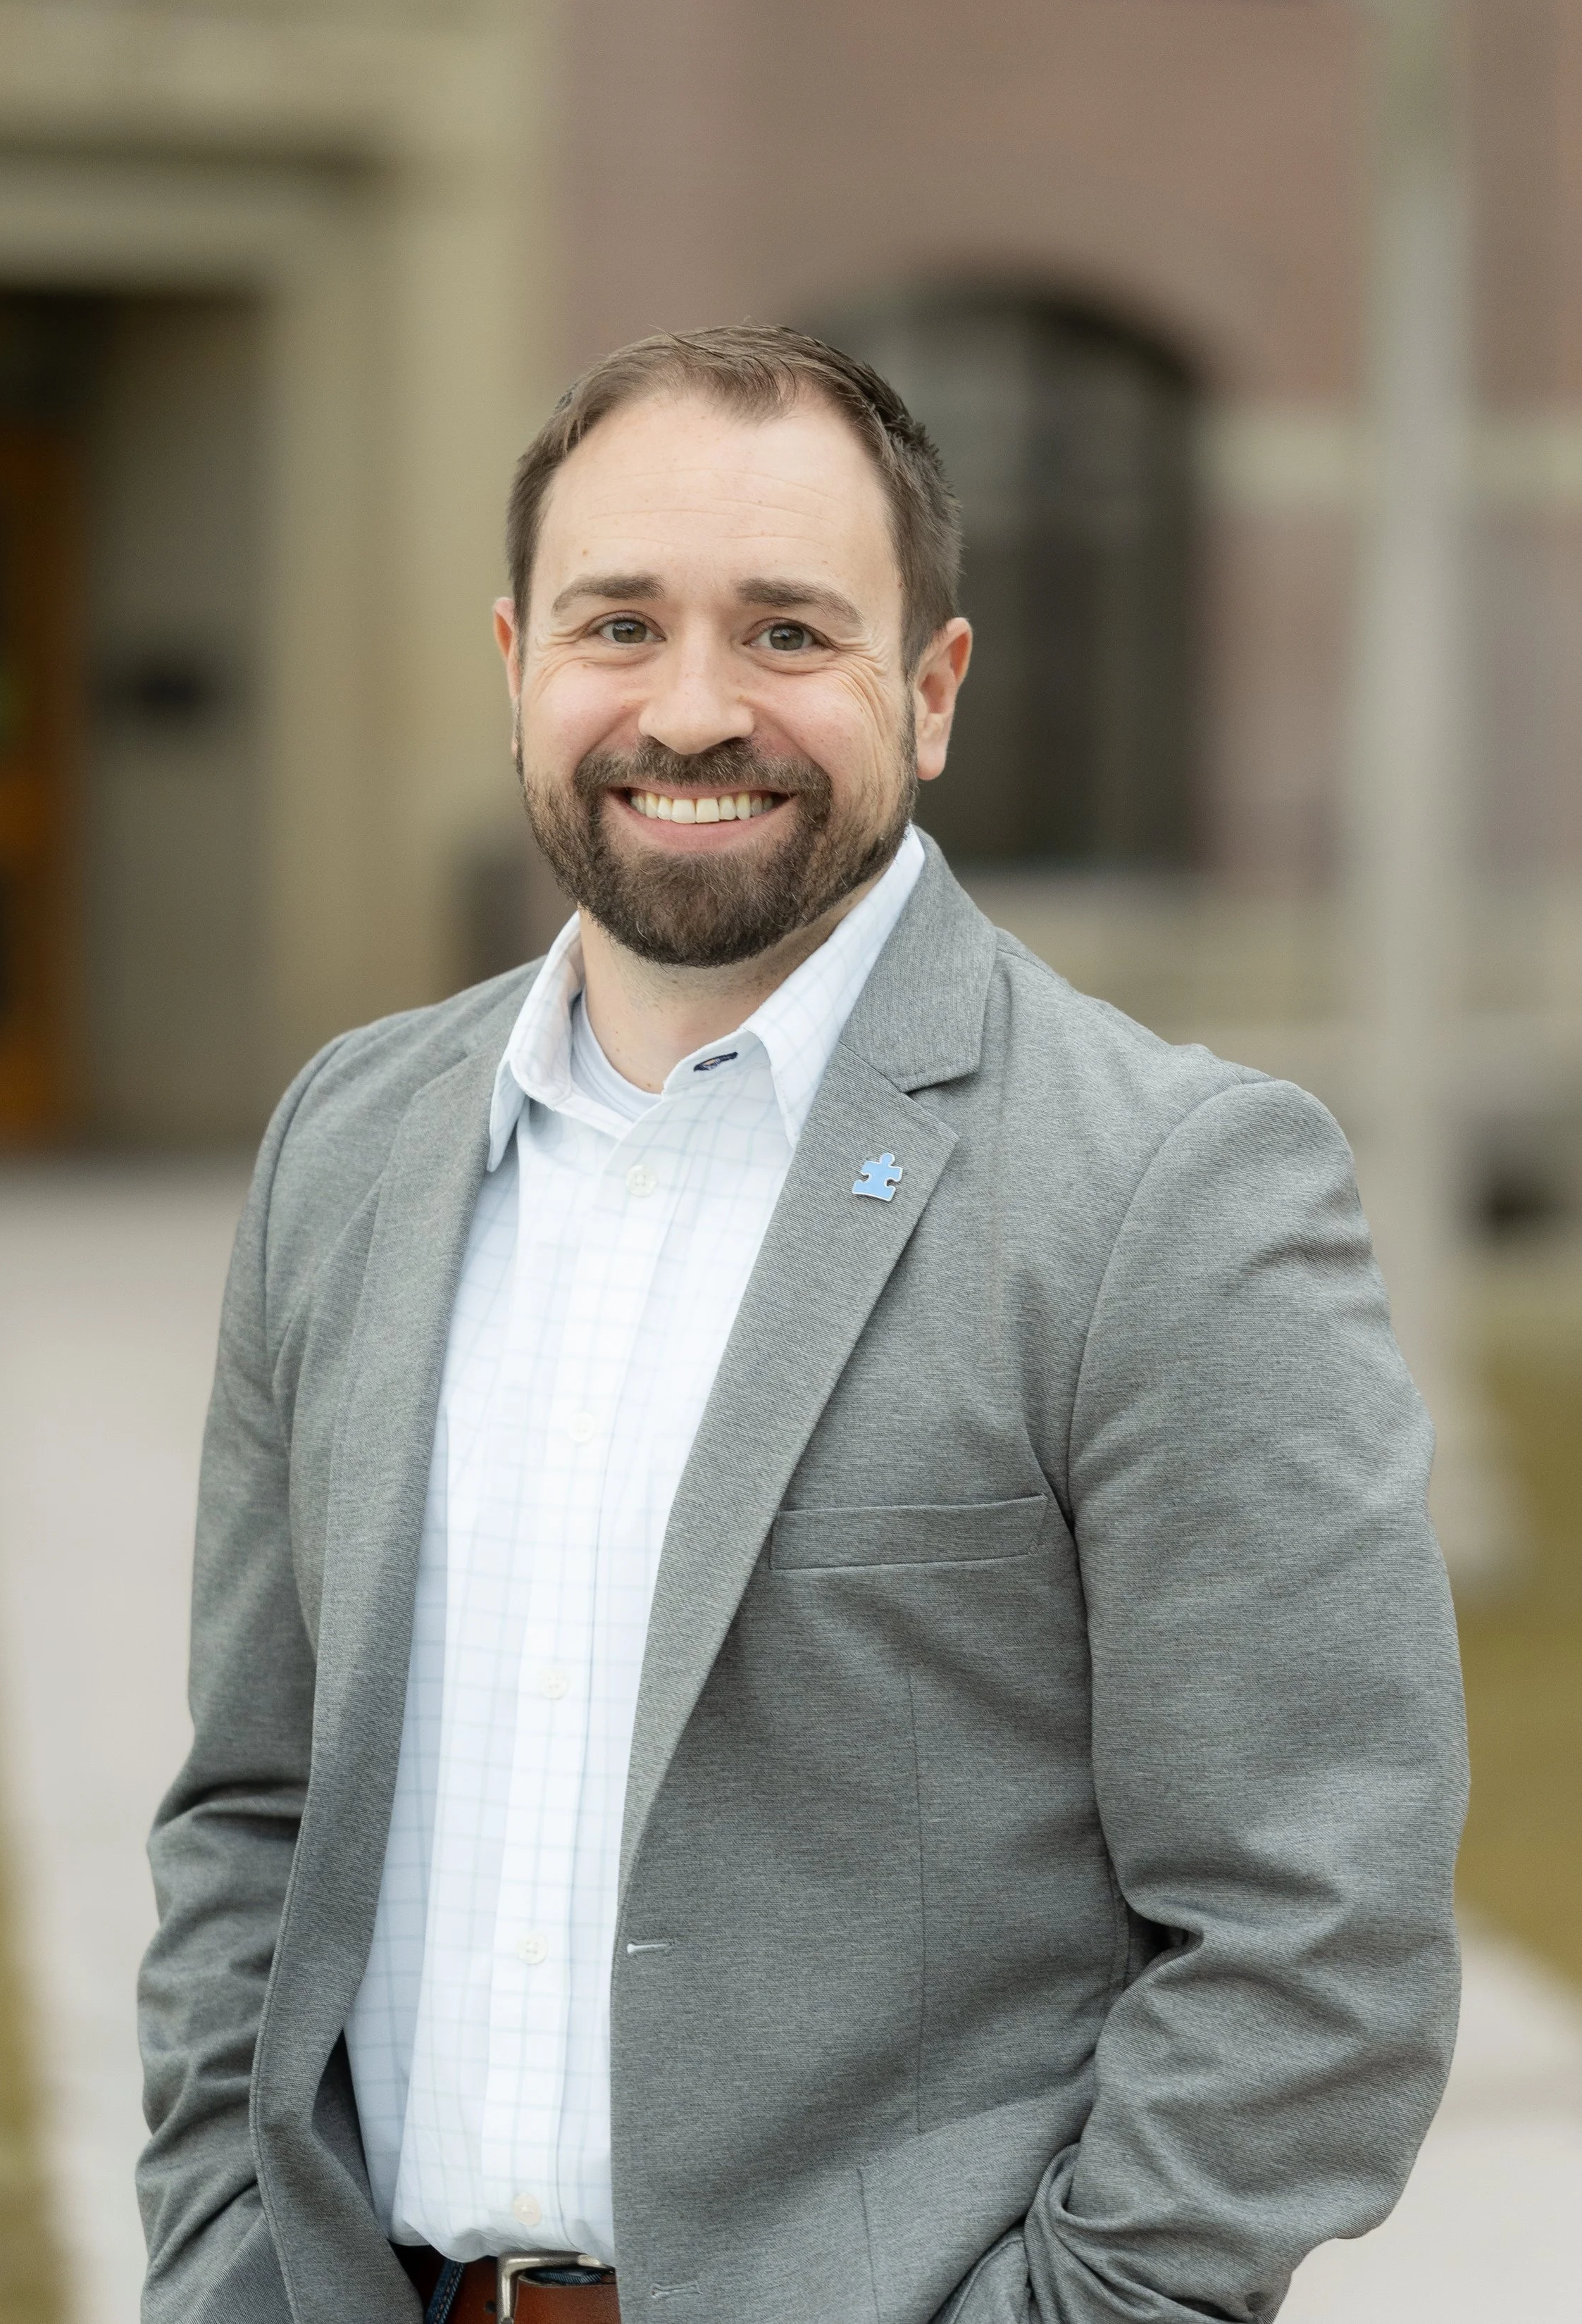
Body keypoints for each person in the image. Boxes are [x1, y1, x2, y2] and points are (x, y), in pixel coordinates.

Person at [137, 327, 1467, 2324]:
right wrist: (220, 2257)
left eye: (783, 632)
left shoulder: (1164, 1187)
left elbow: (1318, 1928)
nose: (688, 710)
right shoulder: (352, 1139)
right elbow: (252, 1805)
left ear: (926, 691)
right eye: (618, 624)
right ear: (516, 661)